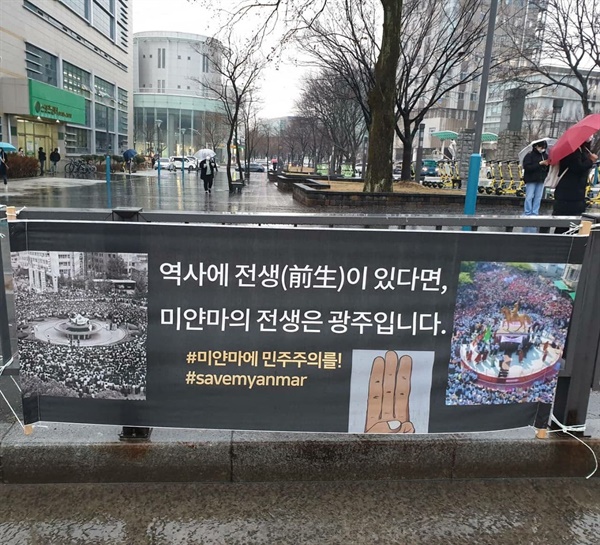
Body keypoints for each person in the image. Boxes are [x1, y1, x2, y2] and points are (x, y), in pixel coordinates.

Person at [553, 143, 598, 234]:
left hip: (576, 194)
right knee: (565, 224)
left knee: (573, 223)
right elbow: (577, 167)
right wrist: (590, 160)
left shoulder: (582, 150)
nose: (591, 138)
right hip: (568, 194)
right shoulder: (572, 151)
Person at [522, 139, 549, 216]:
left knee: (538, 197)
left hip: (541, 179)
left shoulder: (545, 156)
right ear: (536, 146)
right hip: (531, 179)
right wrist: (539, 164)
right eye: (541, 147)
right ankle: (528, 212)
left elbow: (548, 169)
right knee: (529, 196)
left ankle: (535, 212)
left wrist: (547, 166)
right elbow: (527, 167)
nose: (542, 149)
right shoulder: (529, 155)